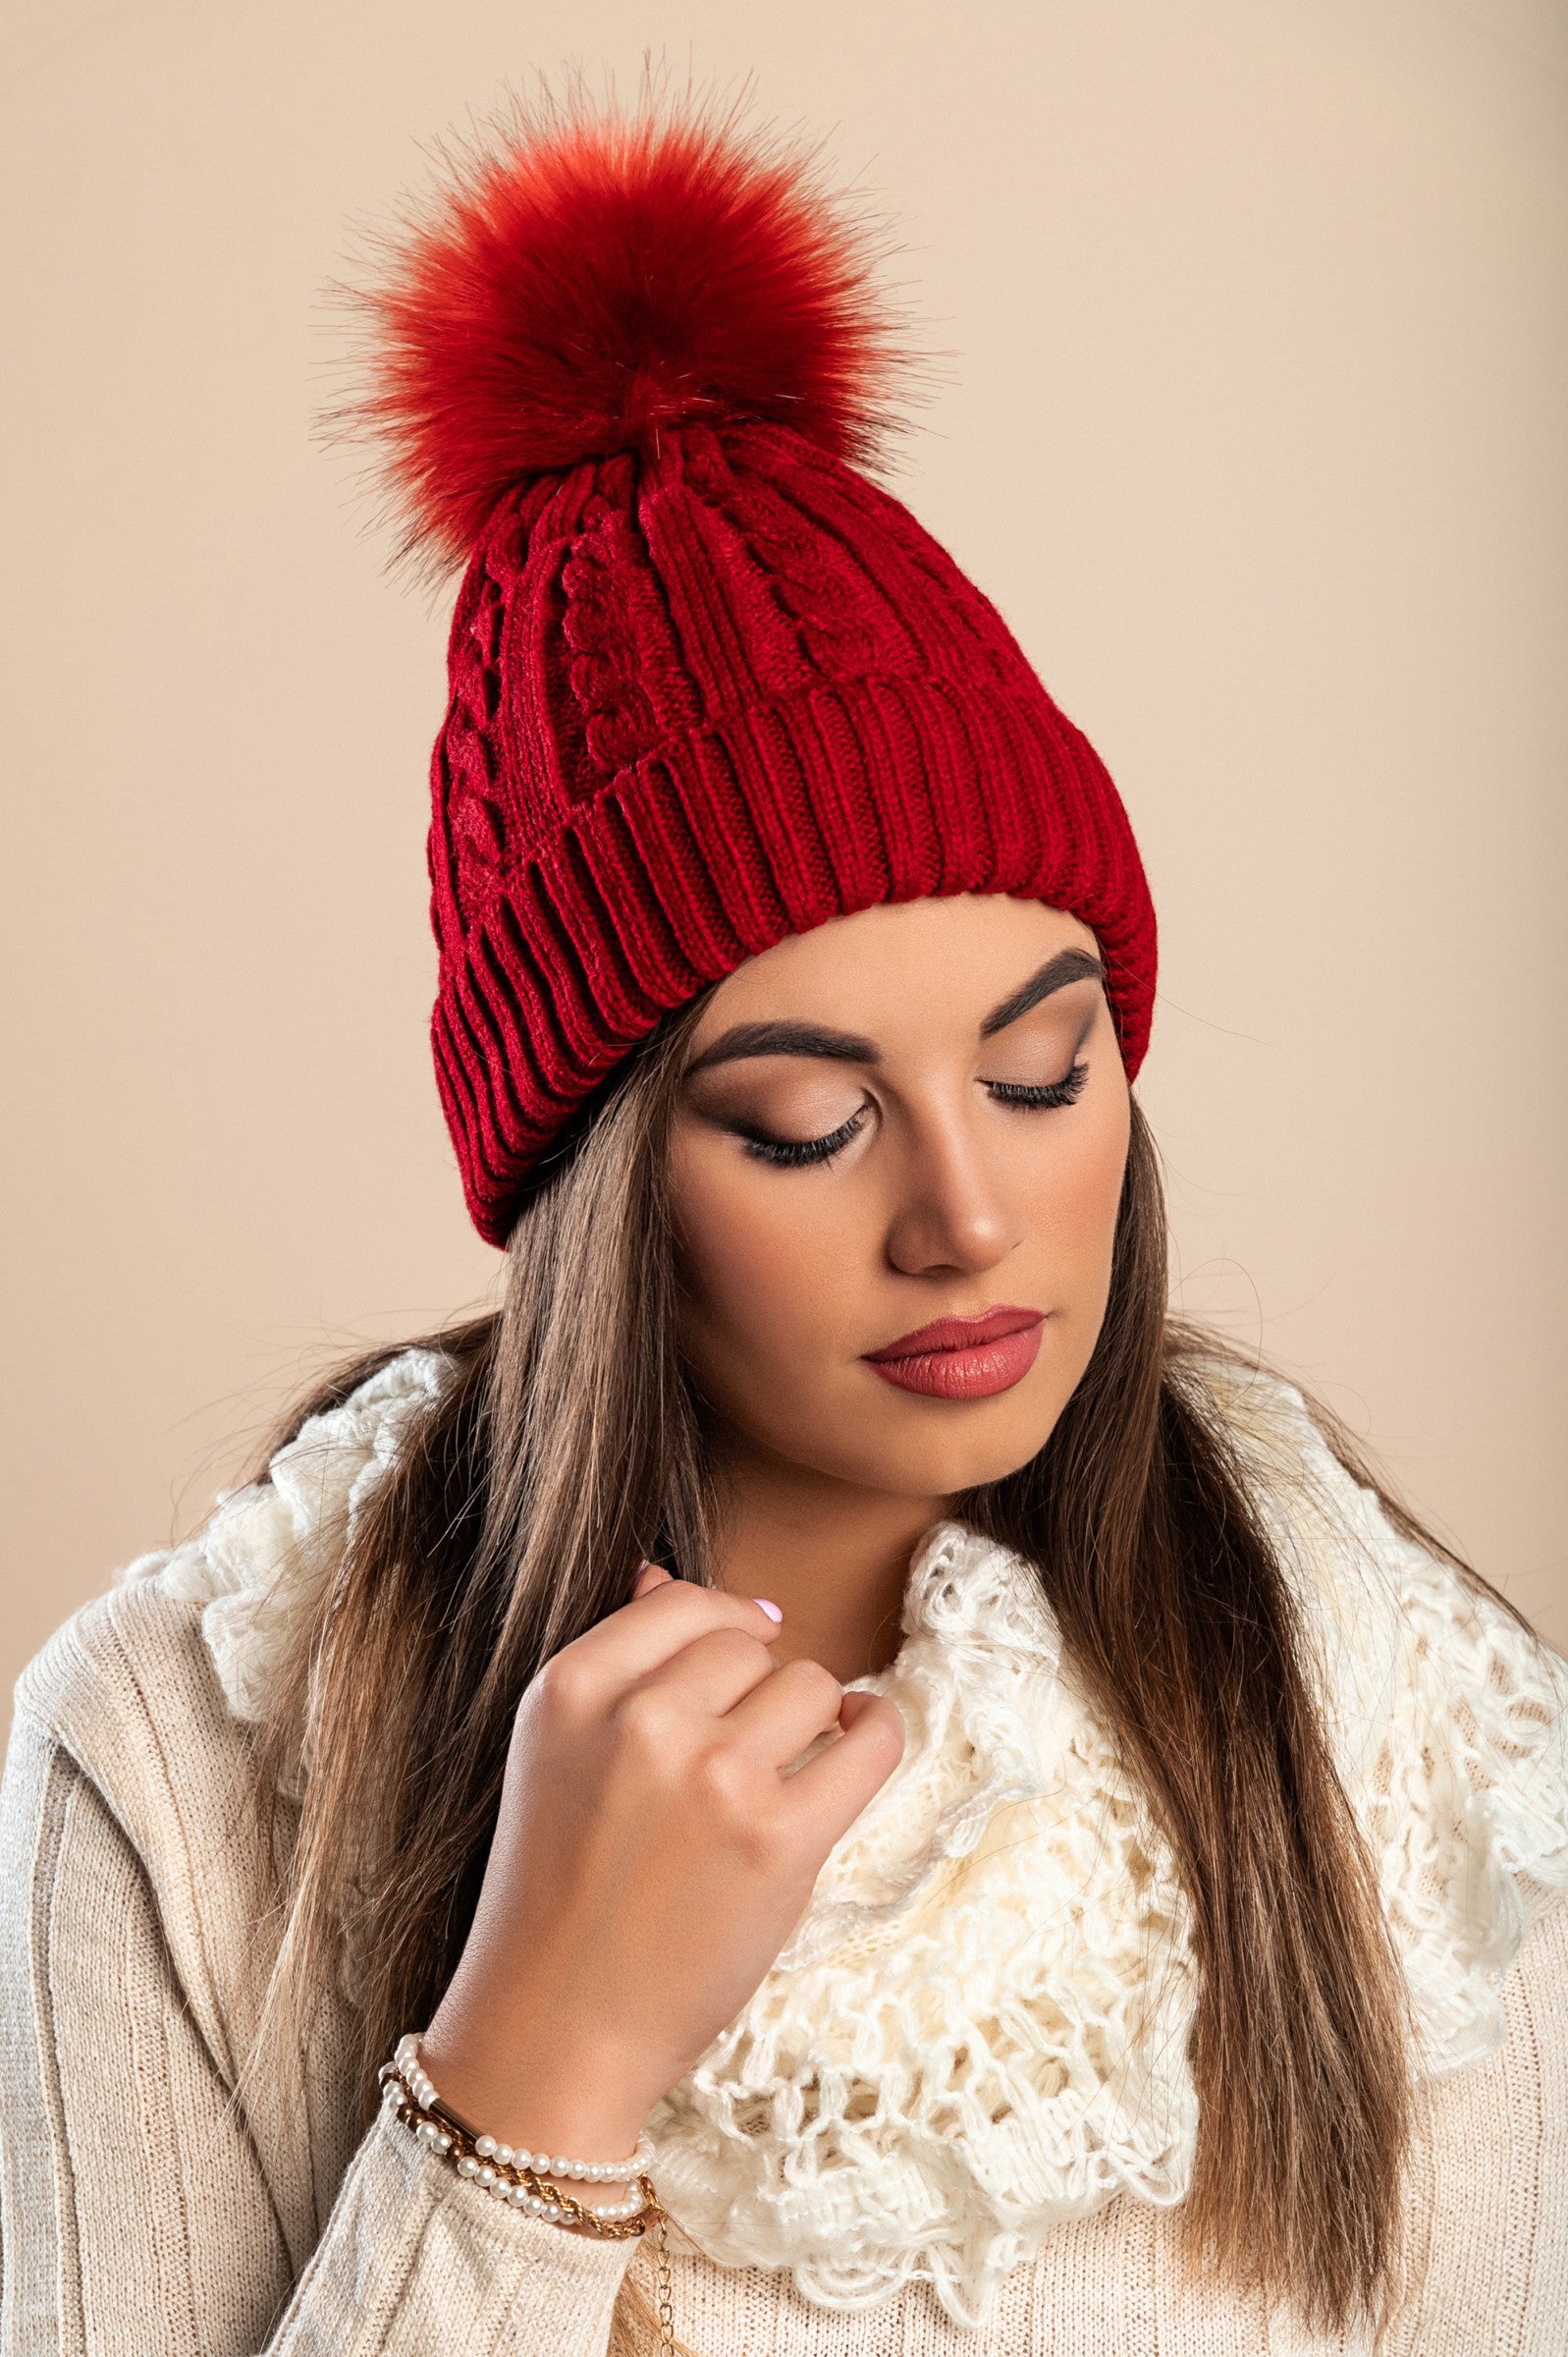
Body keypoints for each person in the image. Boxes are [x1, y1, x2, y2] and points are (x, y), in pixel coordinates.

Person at [2, 80, 1564, 2357]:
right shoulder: (188, 1756)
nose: (969, 1212)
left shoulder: (1399, 1719)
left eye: (1044, 1073)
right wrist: (535, 2067)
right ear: (601, 1190)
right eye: (810, 1123)